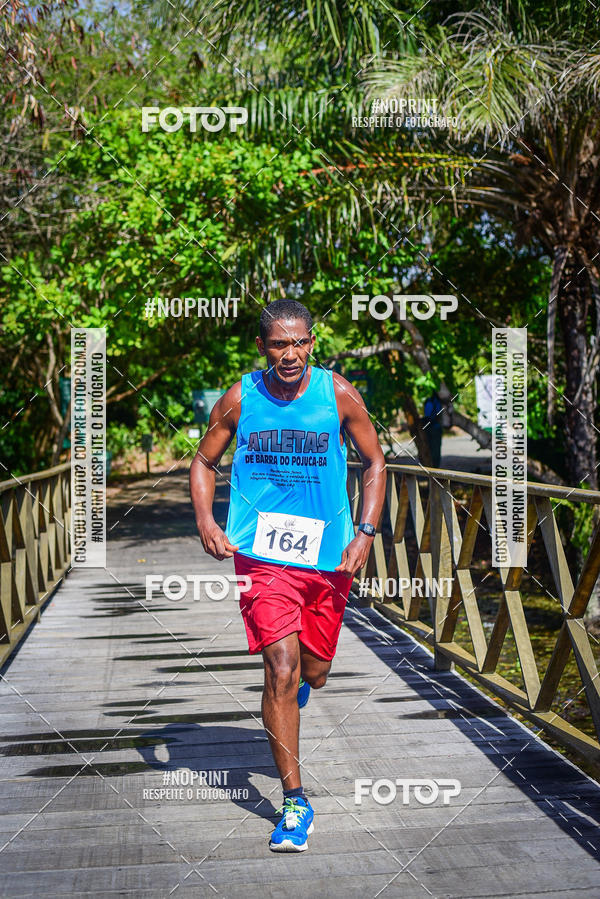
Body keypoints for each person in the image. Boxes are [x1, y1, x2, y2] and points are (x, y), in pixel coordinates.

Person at [189, 299, 386, 852]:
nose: (290, 354)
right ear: (262, 348)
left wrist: (365, 531)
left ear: (312, 344)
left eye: (299, 343)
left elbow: (376, 462)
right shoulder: (240, 397)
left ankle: (299, 685)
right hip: (262, 554)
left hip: (327, 557)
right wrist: (206, 520)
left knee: (314, 672)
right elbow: (203, 462)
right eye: (279, 344)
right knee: (279, 666)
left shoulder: (338, 394)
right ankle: (295, 801)